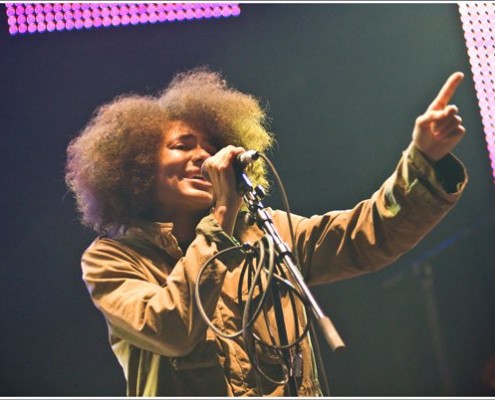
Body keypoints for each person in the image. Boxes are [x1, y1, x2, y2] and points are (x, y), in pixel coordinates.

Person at [65, 68, 468, 396]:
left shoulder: (268, 231)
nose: (203, 156)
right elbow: (169, 328)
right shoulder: (111, 259)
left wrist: (422, 162)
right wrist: (221, 217)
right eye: (183, 145)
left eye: (210, 145)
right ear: (137, 169)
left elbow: (367, 234)